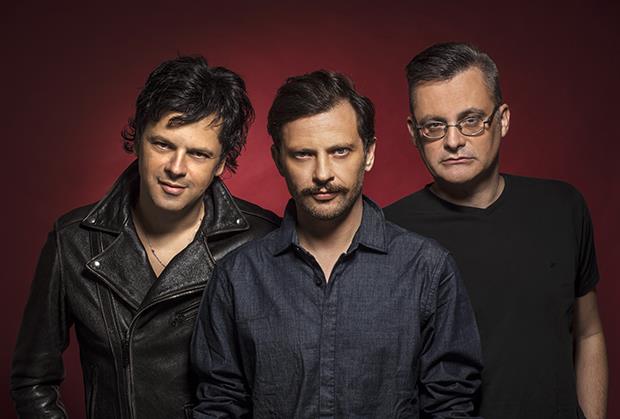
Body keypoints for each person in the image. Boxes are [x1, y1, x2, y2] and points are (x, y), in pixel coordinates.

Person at [191, 69, 483, 418]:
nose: (323, 174)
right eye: (303, 154)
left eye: (340, 151)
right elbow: (219, 403)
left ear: (369, 153)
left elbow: (450, 406)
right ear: (278, 160)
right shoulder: (238, 276)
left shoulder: (427, 269)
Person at [10, 55, 279, 419]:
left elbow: (282, 374)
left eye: (198, 154)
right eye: (163, 144)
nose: (176, 168)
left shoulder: (260, 238)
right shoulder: (73, 241)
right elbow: (32, 381)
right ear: (137, 140)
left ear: (220, 164)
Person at [384, 42, 608, 419]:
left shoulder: (562, 207)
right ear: (413, 132)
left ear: (502, 119)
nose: (453, 141)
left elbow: (589, 333)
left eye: (472, 120)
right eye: (434, 126)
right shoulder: (389, 232)